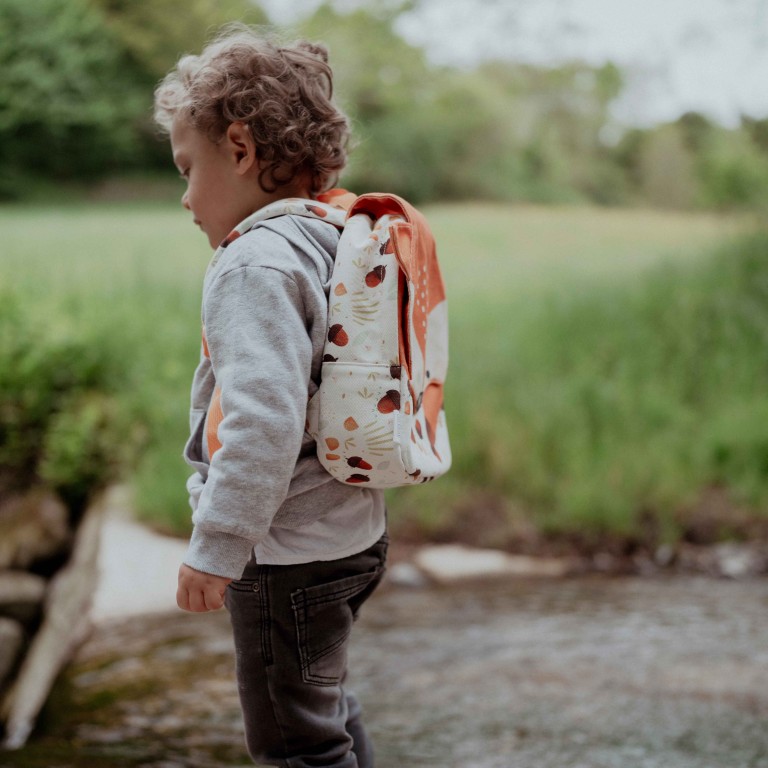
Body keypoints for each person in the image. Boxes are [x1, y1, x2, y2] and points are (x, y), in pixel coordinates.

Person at [153, 25, 388, 768]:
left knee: (294, 744)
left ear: (240, 150)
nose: (185, 197)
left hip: (283, 552)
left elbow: (263, 421)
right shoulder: (334, 237)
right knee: (325, 707)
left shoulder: (252, 263)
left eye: (187, 169)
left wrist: (217, 548)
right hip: (351, 535)